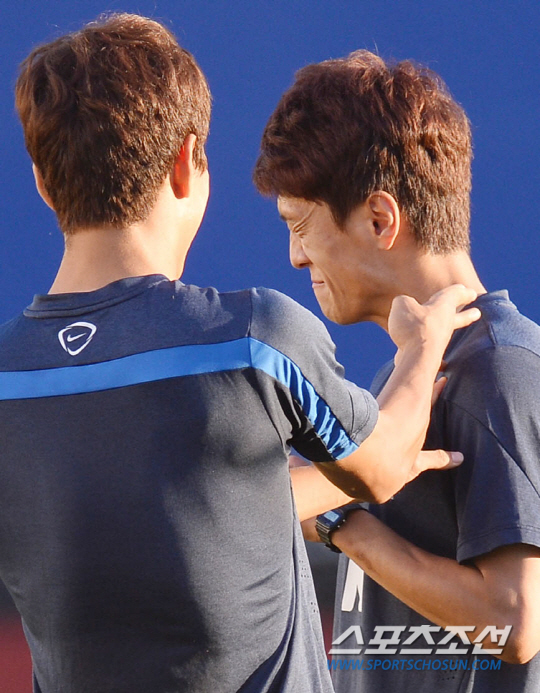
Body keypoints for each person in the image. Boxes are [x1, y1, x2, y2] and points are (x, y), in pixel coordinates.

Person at [2, 15, 477, 693]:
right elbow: (385, 464)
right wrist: (422, 349)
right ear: (186, 162)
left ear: (44, 184)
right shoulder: (254, 338)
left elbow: (188, 510)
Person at [254, 50, 540, 692]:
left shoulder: (501, 371)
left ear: (381, 219)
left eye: (301, 225)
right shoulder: (408, 378)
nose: (295, 257)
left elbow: (516, 623)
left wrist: (342, 522)